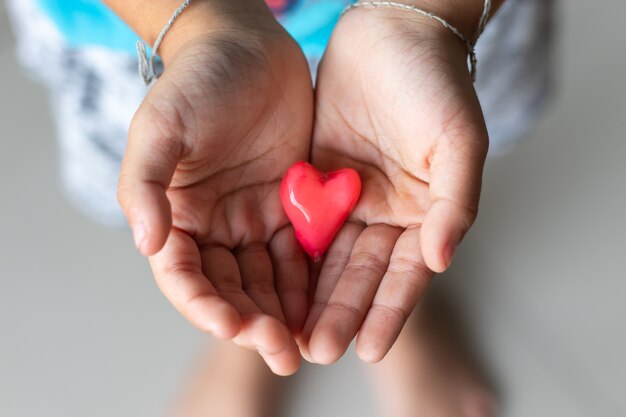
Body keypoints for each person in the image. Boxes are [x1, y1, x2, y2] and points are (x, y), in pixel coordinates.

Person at [6, 0, 554, 415]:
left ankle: (405, 318)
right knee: (205, 210)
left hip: (429, 17)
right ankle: (247, 332)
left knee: (419, 189)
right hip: (145, 24)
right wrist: (198, 24)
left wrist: (433, 18)